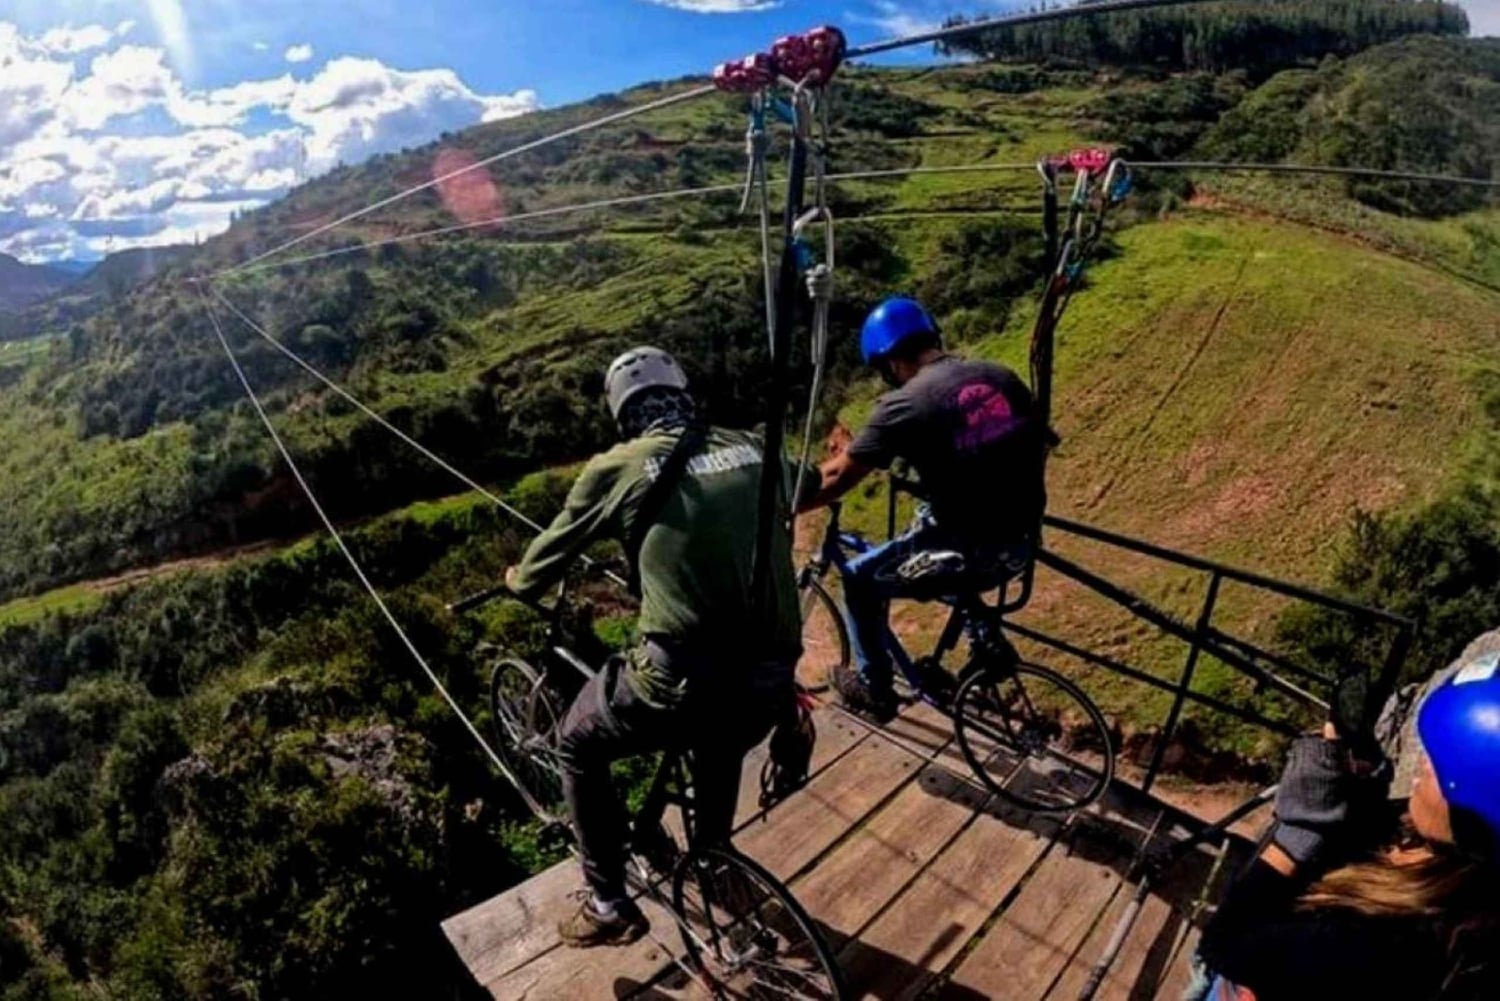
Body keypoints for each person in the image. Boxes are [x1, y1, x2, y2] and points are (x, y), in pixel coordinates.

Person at [504, 346, 805, 949]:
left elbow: (536, 573)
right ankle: (714, 856)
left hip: (682, 680)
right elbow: (809, 484)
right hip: (772, 680)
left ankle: (608, 904)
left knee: (577, 742)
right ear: (683, 392)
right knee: (719, 737)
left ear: (622, 411)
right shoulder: (752, 445)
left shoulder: (618, 466)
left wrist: (516, 578)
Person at [1194, 639, 1500, 1000]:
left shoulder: (1391, 946)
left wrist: (1300, 829)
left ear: (1473, 811)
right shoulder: (1445, 846)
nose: (1421, 762)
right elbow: (1373, 829)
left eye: (1438, 762)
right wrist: (1363, 780)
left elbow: (1224, 943)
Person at [797, 296, 1047, 720]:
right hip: (1022, 543)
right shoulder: (999, 375)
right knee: (934, 523)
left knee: (858, 580)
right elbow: (1037, 445)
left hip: (969, 557)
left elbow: (837, 477)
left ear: (889, 362)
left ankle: (876, 690)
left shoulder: (903, 404)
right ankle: (985, 637)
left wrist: (788, 506)